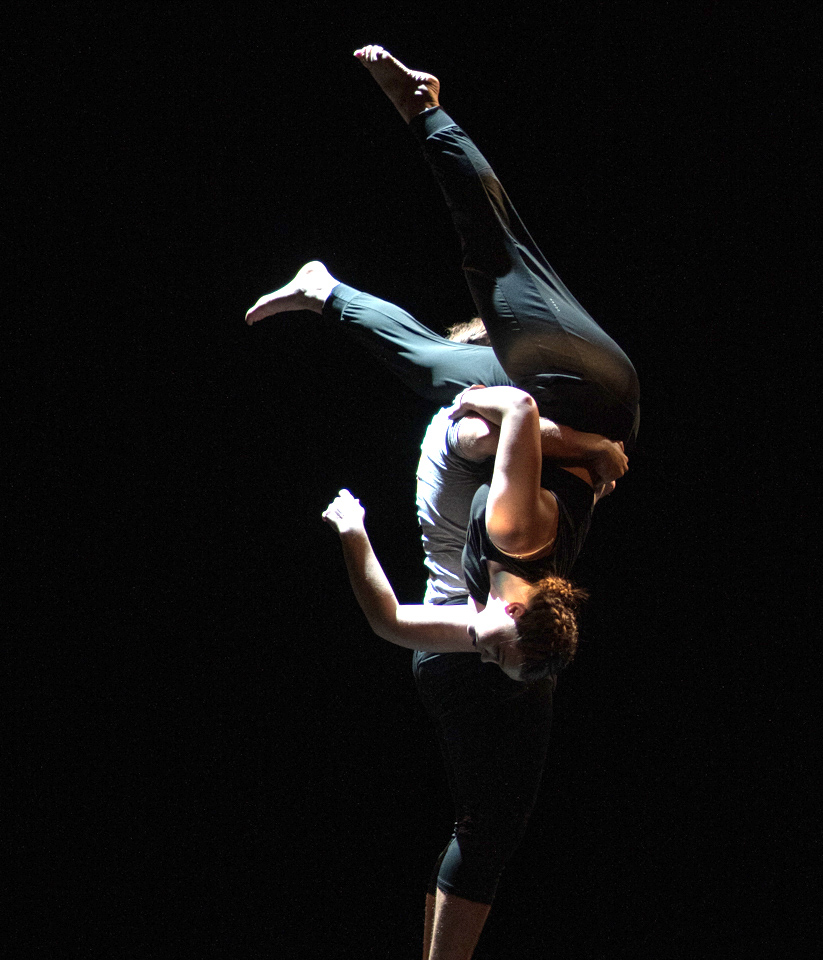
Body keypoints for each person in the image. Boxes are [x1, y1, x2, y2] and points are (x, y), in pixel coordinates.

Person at [247, 46, 638, 959]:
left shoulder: (526, 598)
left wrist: (354, 534)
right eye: (489, 641)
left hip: (594, 392)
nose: (475, 635)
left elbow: (397, 620)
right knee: (487, 269)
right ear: (516, 609)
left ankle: (329, 282)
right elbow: (513, 412)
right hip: (569, 385)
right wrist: (588, 445)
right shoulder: (511, 533)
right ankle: (426, 111)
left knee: (445, 349)